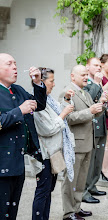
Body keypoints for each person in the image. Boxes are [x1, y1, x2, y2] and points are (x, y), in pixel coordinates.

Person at [0, 53, 47, 220]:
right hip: (2, 163)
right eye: (9, 64)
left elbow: (39, 105)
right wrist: (19, 111)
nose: (15, 67)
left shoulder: (18, 90)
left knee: (12, 212)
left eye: (15, 63)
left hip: (17, 163)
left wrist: (37, 83)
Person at [59, 65, 108, 220]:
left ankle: (77, 207)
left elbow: (93, 115)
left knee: (81, 180)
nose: (86, 77)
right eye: (83, 75)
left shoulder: (85, 93)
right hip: (75, 144)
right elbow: (69, 118)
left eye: (87, 74)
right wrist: (90, 111)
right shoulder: (67, 92)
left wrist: (101, 103)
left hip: (87, 142)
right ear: (73, 76)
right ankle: (68, 212)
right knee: (70, 180)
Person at [32, 67, 75, 220]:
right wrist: (63, 114)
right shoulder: (37, 102)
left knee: (49, 190)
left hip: (54, 152)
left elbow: (57, 115)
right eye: (52, 81)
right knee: (42, 191)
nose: (54, 84)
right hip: (44, 154)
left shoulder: (49, 99)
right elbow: (48, 128)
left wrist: (67, 101)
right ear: (42, 82)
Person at [82, 57, 108, 203]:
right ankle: (85, 191)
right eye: (95, 65)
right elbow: (89, 99)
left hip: (101, 125)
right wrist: (95, 82)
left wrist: (106, 110)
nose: (99, 68)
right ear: (87, 67)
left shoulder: (97, 83)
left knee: (97, 160)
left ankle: (93, 185)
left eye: (99, 66)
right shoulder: (86, 82)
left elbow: (98, 102)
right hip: (91, 127)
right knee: (89, 162)